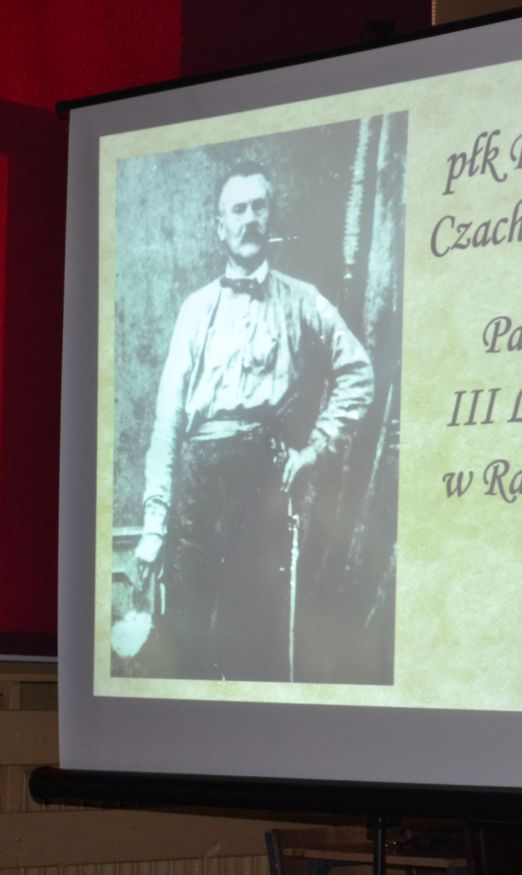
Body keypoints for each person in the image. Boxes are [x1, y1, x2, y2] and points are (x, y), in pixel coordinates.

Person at [134, 160, 374, 681]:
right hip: (198, 489)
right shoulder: (195, 310)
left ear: (271, 217)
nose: (249, 220)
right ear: (219, 226)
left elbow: (358, 371)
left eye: (258, 207)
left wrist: (315, 450)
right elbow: (167, 421)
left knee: (254, 649)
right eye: (237, 210)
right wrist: (154, 526)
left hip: (262, 488)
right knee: (186, 644)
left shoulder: (303, 300)